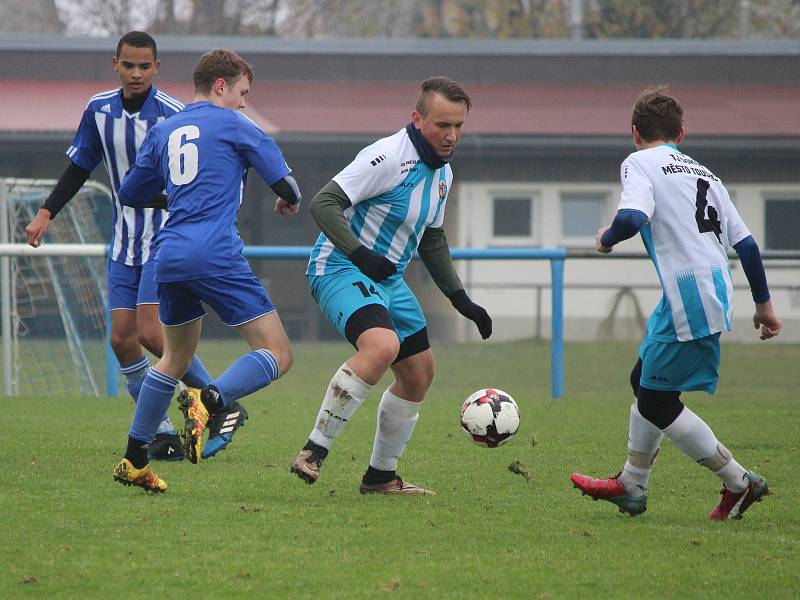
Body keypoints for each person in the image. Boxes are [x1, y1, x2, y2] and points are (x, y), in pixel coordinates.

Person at [570, 86, 781, 520]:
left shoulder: (639, 162)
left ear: (634, 133)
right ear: (681, 134)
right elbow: (748, 245)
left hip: (691, 293)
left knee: (656, 402)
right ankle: (633, 483)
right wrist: (763, 304)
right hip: (708, 289)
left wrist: (605, 240)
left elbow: (631, 218)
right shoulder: (706, 174)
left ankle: (740, 482)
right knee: (643, 379)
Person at [23, 31, 231, 462]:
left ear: (157, 68)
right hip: (124, 242)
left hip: (166, 238)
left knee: (153, 333)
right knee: (122, 339)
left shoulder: (175, 114)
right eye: (128, 65)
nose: (136, 73)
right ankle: (163, 433)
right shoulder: (99, 109)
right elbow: (80, 164)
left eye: (144, 66)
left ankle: (219, 402)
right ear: (115, 64)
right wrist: (46, 212)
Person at [290, 76, 492, 495]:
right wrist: (359, 253)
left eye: (458, 126)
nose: (451, 135)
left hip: (389, 280)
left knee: (419, 373)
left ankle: (381, 477)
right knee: (382, 346)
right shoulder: (384, 157)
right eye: (442, 125)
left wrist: (461, 300)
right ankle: (313, 450)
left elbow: (432, 239)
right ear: (417, 119)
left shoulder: (443, 174)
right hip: (340, 269)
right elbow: (323, 203)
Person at [111, 48, 302, 492]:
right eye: (242, 93)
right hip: (215, 252)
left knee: (174, 358)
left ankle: (134, 459)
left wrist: (180, 197)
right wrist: (287, 200)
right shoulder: (236, 124)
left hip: (169, 254)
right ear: (221, 87)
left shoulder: (164, 129)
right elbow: (287, 185)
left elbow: (130, 192)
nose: (243, 103)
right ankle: (213, 400)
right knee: (279, 353)